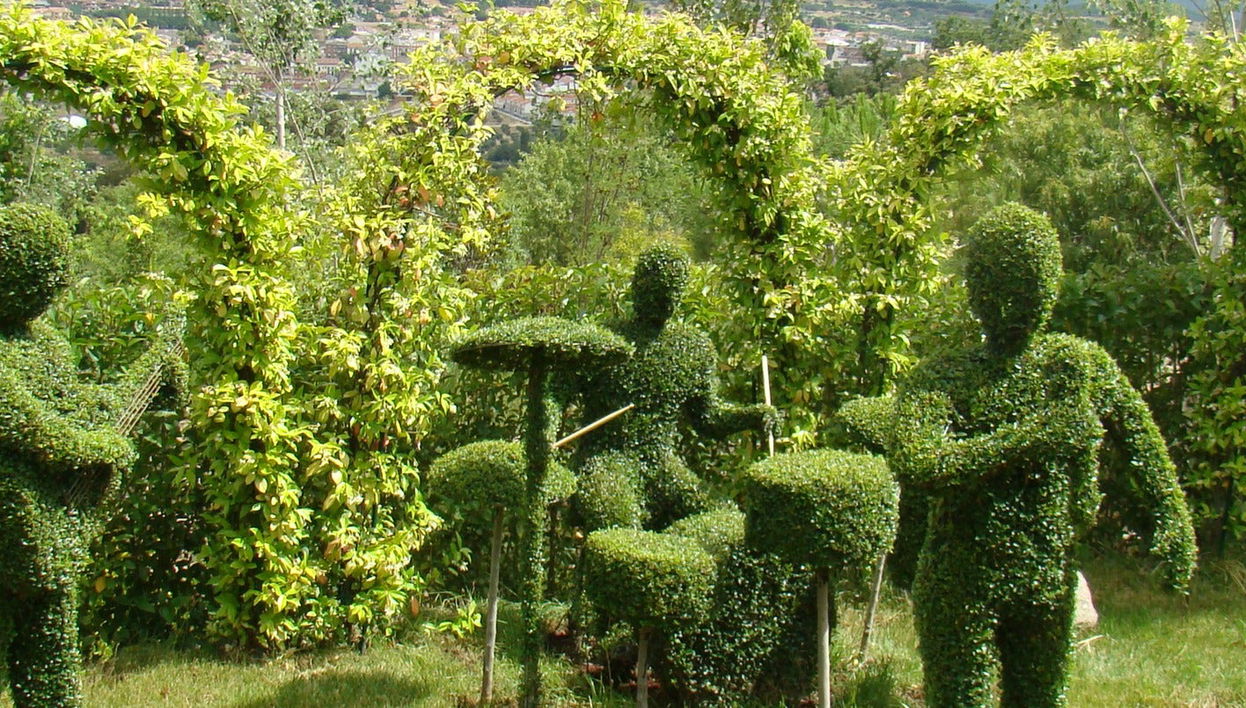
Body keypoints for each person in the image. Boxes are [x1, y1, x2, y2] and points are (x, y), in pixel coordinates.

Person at [890, 203, 1195, 707]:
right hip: (960, 579)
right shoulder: (946, 374)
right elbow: (920, 461)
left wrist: (1171, 519)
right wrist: (1035, 435)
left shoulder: (1077, 365)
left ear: (1049, 283)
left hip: (1046, 577)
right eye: (1004, 284)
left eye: (1030, 283)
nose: (1016, 300)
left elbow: (1140, 441)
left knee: (1039, 698)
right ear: (978, 289)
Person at [0, 203, 180, 707]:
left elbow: (79, 405)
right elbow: (29, 424)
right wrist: (96, 447)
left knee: (51, 652)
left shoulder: (47, 345)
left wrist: (142, 377)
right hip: (12, 526)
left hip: (47, 530)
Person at [568, 244, 779, 530]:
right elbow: (558, 389)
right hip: (607, 460)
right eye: (658, 289)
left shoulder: (693, 348)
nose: (665, 299)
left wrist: (753, 416)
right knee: (618, 526)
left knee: (724, 522)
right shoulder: (605, 342)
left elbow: (708, 418)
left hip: (664, 464)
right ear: (638, 287)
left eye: (671, 291)